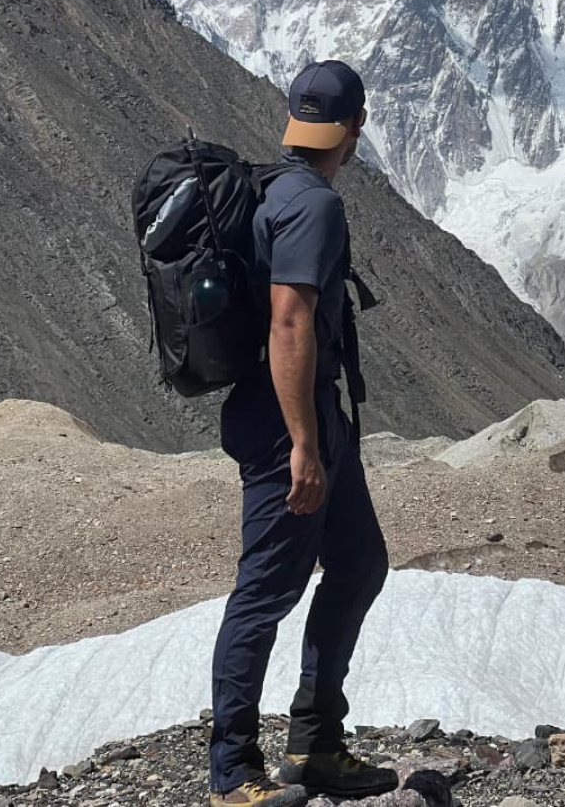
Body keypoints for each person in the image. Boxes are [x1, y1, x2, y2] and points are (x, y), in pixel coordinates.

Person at [209, 60, 397, 807]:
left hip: (308, 414)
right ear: (355, 127)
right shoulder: (313, 205)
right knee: (264, 593)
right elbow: (290, 324)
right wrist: (303, 447)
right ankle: (232, 773)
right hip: (288, 423)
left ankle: (316, 743)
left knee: (359, 562)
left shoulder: (273, 188)